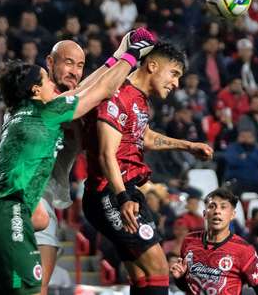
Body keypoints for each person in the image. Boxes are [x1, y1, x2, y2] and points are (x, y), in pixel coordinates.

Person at [0, 34, 156, 295]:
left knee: (35, 234)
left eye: (80, 65)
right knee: (35, 285)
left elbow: (80, 92)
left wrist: (117, 55)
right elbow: (97, 91)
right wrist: (130, 56)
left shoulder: (32, 104)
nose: (75, 71)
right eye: (67, 63)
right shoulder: (47, 107)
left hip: (14, 205)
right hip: (22, 200)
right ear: (48, 65)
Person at [83, 42, 213, 295]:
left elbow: (143, 136)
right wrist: (122, 198)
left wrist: (188, 146)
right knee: (158, 268)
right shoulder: (118, 94)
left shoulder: (140, 100)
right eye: (174, 74)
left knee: (142, 275)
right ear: (152, 65)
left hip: (124, 191)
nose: (176, 84)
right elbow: (106, 154)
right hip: (109, 192)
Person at [170, 188, 258, 295]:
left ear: (232, 215)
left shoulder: (244, 250)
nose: (217, 211)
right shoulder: (189, 241)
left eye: (223, 207)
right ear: (204, 214)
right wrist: (179, 278)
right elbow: (187, 286)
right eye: (212, 206)